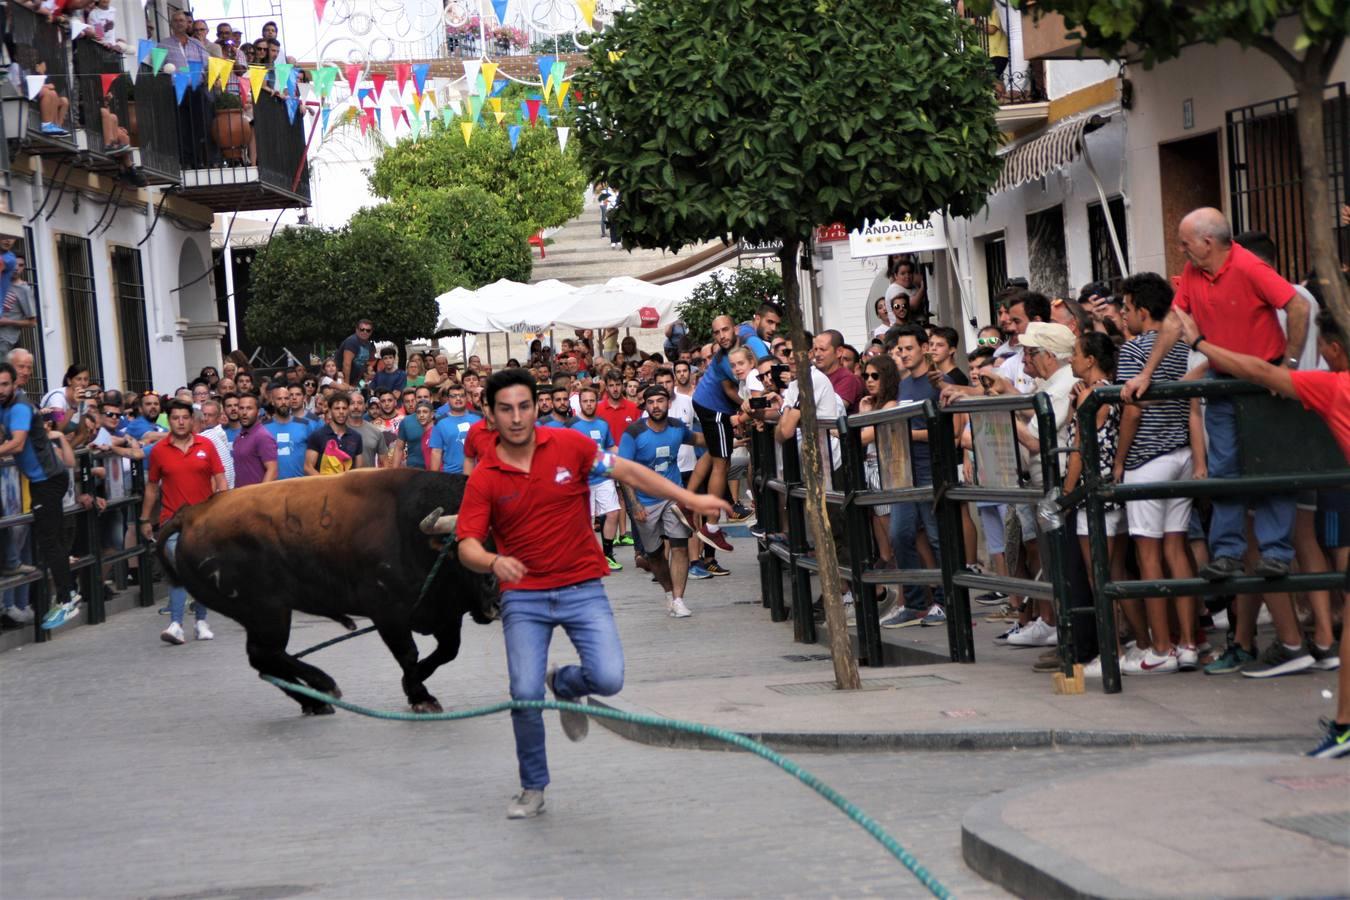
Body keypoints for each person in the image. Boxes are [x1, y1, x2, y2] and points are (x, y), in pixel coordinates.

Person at [453, 368, 729, 819]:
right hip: (524, 597)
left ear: (537, 405)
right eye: (506, 409)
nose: (517, 417)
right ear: (491, 413)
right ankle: (532, 786)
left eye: (525, 406)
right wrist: (491, 561)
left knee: (608, 678)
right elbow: (466, 544)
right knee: (523, 693)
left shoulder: (572, 446)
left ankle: (564, 683)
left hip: (582, 587)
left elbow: (629, 470)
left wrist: (692, 500)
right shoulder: (485, 476)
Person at [1172, 306, 1349, 755]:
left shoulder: (1333, 386)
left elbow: (1256, 372)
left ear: (1332, 349)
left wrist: (1199, 345)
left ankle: (1346, 726)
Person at [0, 364, 81, 630]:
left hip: (47, 480)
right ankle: (69, 593)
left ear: (14, 384)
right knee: (51, 539)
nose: (0, 390)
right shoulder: (7, 407)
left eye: (4, 384)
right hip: (42, 480)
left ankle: (67, 599)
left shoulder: (21, 407)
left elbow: (17, 443)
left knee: (49, 541)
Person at [141, 400, 226, 645]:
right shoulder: (159, 451)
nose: (180, 421)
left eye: (184, 417)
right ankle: (176, 624)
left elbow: (220, 481)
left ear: (192, 420)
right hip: (172, 521)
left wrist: (220, 510)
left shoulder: (206, 445)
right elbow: (151, 488)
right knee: (180, 568)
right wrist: (145, 518)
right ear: (170, 421)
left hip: (204, 520)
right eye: (175, 417)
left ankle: (200, 621)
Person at [620, 386, 705, 617]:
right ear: (645, 406)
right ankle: (668, 592)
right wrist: (634, 504)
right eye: (651, 402)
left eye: (660, 401)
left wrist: (727, 439)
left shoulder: (677, 426)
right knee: (655, 554)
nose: (656, 405)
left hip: (672, 497)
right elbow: (623, 472)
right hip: (645, 501)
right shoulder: (633, 433)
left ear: (668, 403)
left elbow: (697, 438)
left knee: (679, 546)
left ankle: (678, 600)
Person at [570, 387, 623, 571]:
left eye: (592, 401)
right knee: (587, 521)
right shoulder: (572, 425)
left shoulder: (602, 423)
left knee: (613, 512)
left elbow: (611, 447)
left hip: (603, 476)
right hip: (582, 481)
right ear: (580, 403)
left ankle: (607, 555)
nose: (589, 404)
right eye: (585, 401)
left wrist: (626, 457)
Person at [428, 384, 482, 474]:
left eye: (461, 395)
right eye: (454, 396)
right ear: (448, 400)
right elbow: (436, 452)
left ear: (466, 398)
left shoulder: (479, 417)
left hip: (477, 473)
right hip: (451, 475)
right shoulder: (440, 422)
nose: (458, 399)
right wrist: (434, 479)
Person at [304, 394, 363, 476]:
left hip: (348, 487)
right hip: (324, 487)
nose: (341, 412)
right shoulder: (317, 435)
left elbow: (358, 469)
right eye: (337, 408)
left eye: (344, 408)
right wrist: (328, 484)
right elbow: (308, 467)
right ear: (330, 411)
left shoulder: (356, 437)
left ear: (348, 410)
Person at [264, 384, 310, 480]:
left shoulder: (305, 425)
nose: (283, 402)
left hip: (300, 484)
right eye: (279, 399)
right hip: (274, 485)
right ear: (272, 402)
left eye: (286, 398)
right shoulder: (264, 428)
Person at [231, 393, 277, 487]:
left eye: (249, 408)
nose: (244, 412)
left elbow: (273, 471)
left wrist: (259, 497)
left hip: (256, 498)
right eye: (241, 408)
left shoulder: (263, 436)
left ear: (258, 411)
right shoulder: (239, 437)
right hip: (240, 496)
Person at [0, 255, 37, 362]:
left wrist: (8, 321)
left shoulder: (24, 290)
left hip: (5, 339)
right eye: (14, 264)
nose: (16, 268)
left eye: (20, 265)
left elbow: (32, 322)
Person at [339, 320, 376, 387]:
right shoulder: (352, 341)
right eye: (362, 329)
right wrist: (346, 385)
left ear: (371, 332)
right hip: (341, 381)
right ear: (357, 330)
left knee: (365, 390)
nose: (365, 332)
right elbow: (346, 364)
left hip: (356, 381)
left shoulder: (368, 344)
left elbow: (364, 365)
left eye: (368, 330)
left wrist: (358, 383)